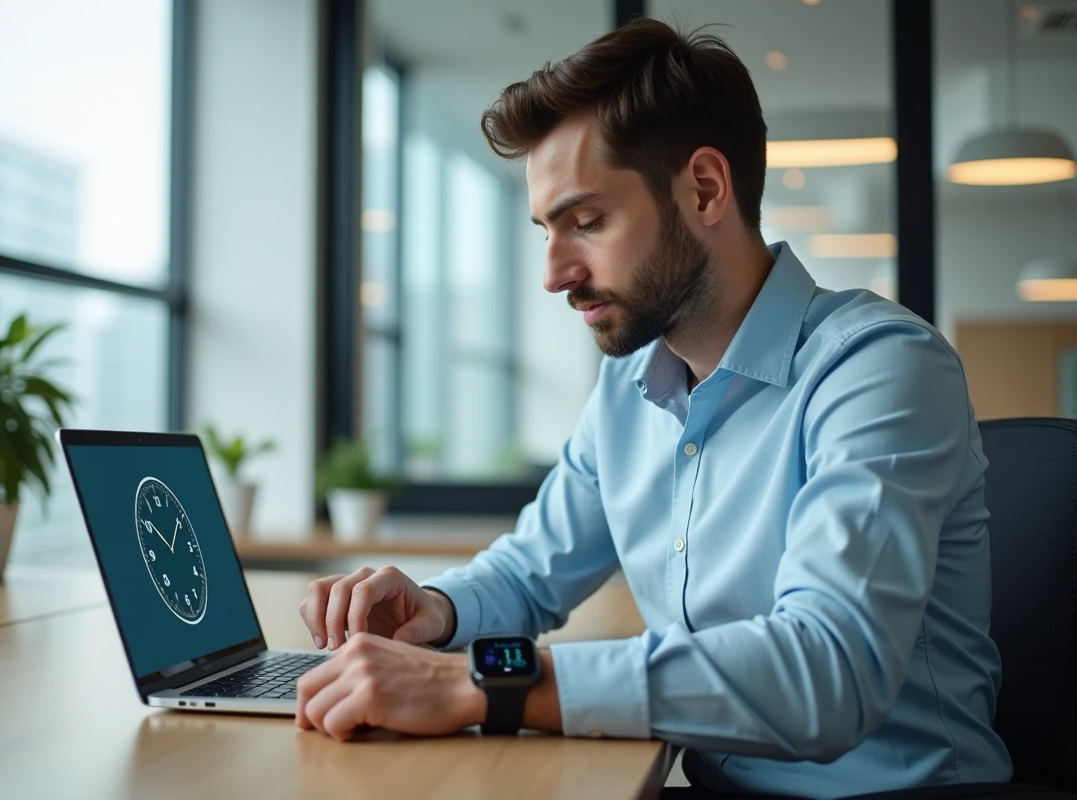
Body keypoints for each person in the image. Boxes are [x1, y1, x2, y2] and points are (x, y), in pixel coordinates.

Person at [293, 17, 1013, 798]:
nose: (553, 274)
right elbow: (531, 573)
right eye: (546, 231)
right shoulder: (628, 390)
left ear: (704, 189)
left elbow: (827, 672)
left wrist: (484, 683)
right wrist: (434, 611)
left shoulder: (880, 369)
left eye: (587, 222)